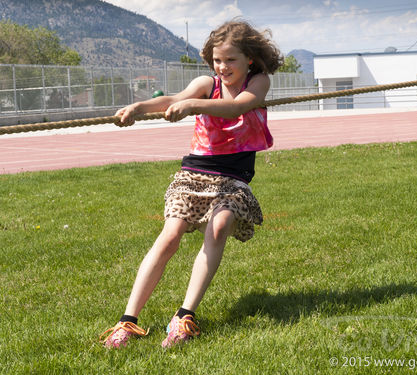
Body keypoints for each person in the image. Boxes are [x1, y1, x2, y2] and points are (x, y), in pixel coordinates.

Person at [99, 19, 283, 349]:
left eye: (231, 60)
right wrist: (139, 107)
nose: (223, 67)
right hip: (194, 173)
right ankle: (127, 321)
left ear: (249, 60)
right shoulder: (205, 83)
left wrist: (192, 105)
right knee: (169, 236)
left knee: (219, 225)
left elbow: (237, 107)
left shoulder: (259, 82)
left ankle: (185, 316)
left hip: (233, 177)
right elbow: (172, 99)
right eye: (217, 60)